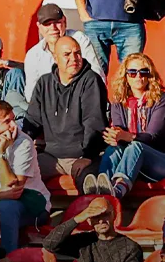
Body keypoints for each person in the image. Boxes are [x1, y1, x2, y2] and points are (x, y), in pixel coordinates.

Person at [32, 36, 109, 187]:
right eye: (67, 54)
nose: (74, 58)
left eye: (77, 53)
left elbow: (94, 122)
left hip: (80, 155)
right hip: (50, 156)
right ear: (55, 58)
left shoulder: (91, 80)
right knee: (19, 173)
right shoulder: (44, 83)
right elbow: (32, 120)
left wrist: (87, 156)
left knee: (90, 183)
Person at [101, 53, 165, 197]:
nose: (138, 76)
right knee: (112, 150)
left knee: (136, 147)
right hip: (134, 161)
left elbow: (152, 136)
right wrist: (114, 136)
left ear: (149, 75)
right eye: (132, 72)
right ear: (125, 76)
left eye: (143, 71)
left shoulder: (161, 99)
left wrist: (126, 136)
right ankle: (101, 188)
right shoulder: (118, 101)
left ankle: (119, 189)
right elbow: (119, 130)